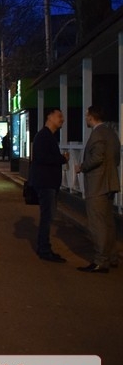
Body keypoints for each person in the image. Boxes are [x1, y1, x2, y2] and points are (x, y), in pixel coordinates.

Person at [74, 106, 121, 273]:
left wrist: (82, 167)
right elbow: (116, 157)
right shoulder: (111, 134)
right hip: (110, 183)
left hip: (98, 185)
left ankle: (101, 260)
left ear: (91, 116)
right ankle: (112, 256)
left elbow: (97, 157)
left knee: (98, 224)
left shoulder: (97, 134)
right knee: (108, 223)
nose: (86, 118)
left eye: (87, 116)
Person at [29, 109, 69, 263]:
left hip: (47, 183)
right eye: (59, 116)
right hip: (46, 184)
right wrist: (61, 159)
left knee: (48, 216)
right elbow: (42, 157)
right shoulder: (43, 136)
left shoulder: (46, 136)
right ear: (49, 117)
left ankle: (44, 247)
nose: (62, 119)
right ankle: (44, 249)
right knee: (47, 216)